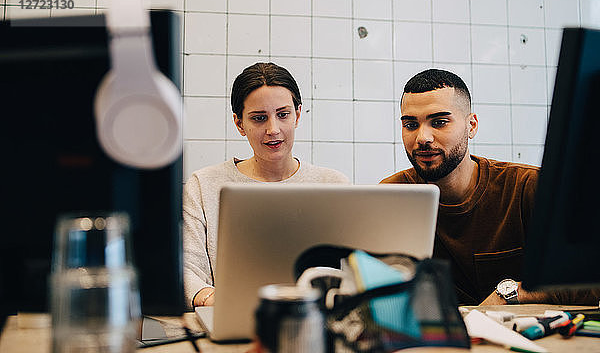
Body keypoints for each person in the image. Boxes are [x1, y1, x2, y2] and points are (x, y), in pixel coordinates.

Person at [381, 68, 600, 306]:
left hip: (531, 337)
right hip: (438, 340)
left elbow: (588, 284)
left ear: (471, 126)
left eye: (439, 122)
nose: (423, 138)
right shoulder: (391, 196)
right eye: (411, 125)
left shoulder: (528, 187)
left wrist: (510, 294)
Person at [183, 62, 349, 309]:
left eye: (283, 115)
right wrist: (210, 298)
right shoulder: (204, 185)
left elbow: (355, 272)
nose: (273, 129)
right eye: (259, 118)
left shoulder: (334, 185)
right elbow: (186, 267)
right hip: (232, 320)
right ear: (240, 124)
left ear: (298, 114)